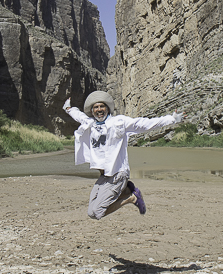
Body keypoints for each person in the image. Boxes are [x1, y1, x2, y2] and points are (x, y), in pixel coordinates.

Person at [63, 91, 184, 220]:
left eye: (102, 106)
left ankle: (131, 198)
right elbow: (78, 115)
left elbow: (143, 124)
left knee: (97, 212)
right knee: (91, 213)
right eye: (96, 107)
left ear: (107, 108)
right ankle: (125, 190)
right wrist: (68, 108)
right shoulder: (90, 123)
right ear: (92, 111)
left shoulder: (119, 122)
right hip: (104, 176)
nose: (99, 110)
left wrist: (172, 119)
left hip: (118, 174)